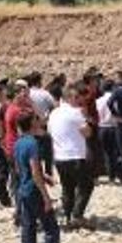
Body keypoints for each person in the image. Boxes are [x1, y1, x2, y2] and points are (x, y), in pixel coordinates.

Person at [15, 110, 62, 243]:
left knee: (28, 229)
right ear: (32, 123)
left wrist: (44, 176)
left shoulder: (18, 143)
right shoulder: (33, 144)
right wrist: (46, 197)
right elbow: (35, 171)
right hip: (34, 190)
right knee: (51, 229)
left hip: (23, 189)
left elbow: (21, 169)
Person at [48, 84, 94, 228]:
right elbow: (88, 133)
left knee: (67, 187)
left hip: (59, 157)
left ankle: (67, 217)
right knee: (86, 185)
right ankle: (77, 215)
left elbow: (50, 131)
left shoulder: (54, 113)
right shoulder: (76, 113)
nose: (78, 99)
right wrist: (86, 119)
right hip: (74, 155)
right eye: (76, 97)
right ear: (69, 98)